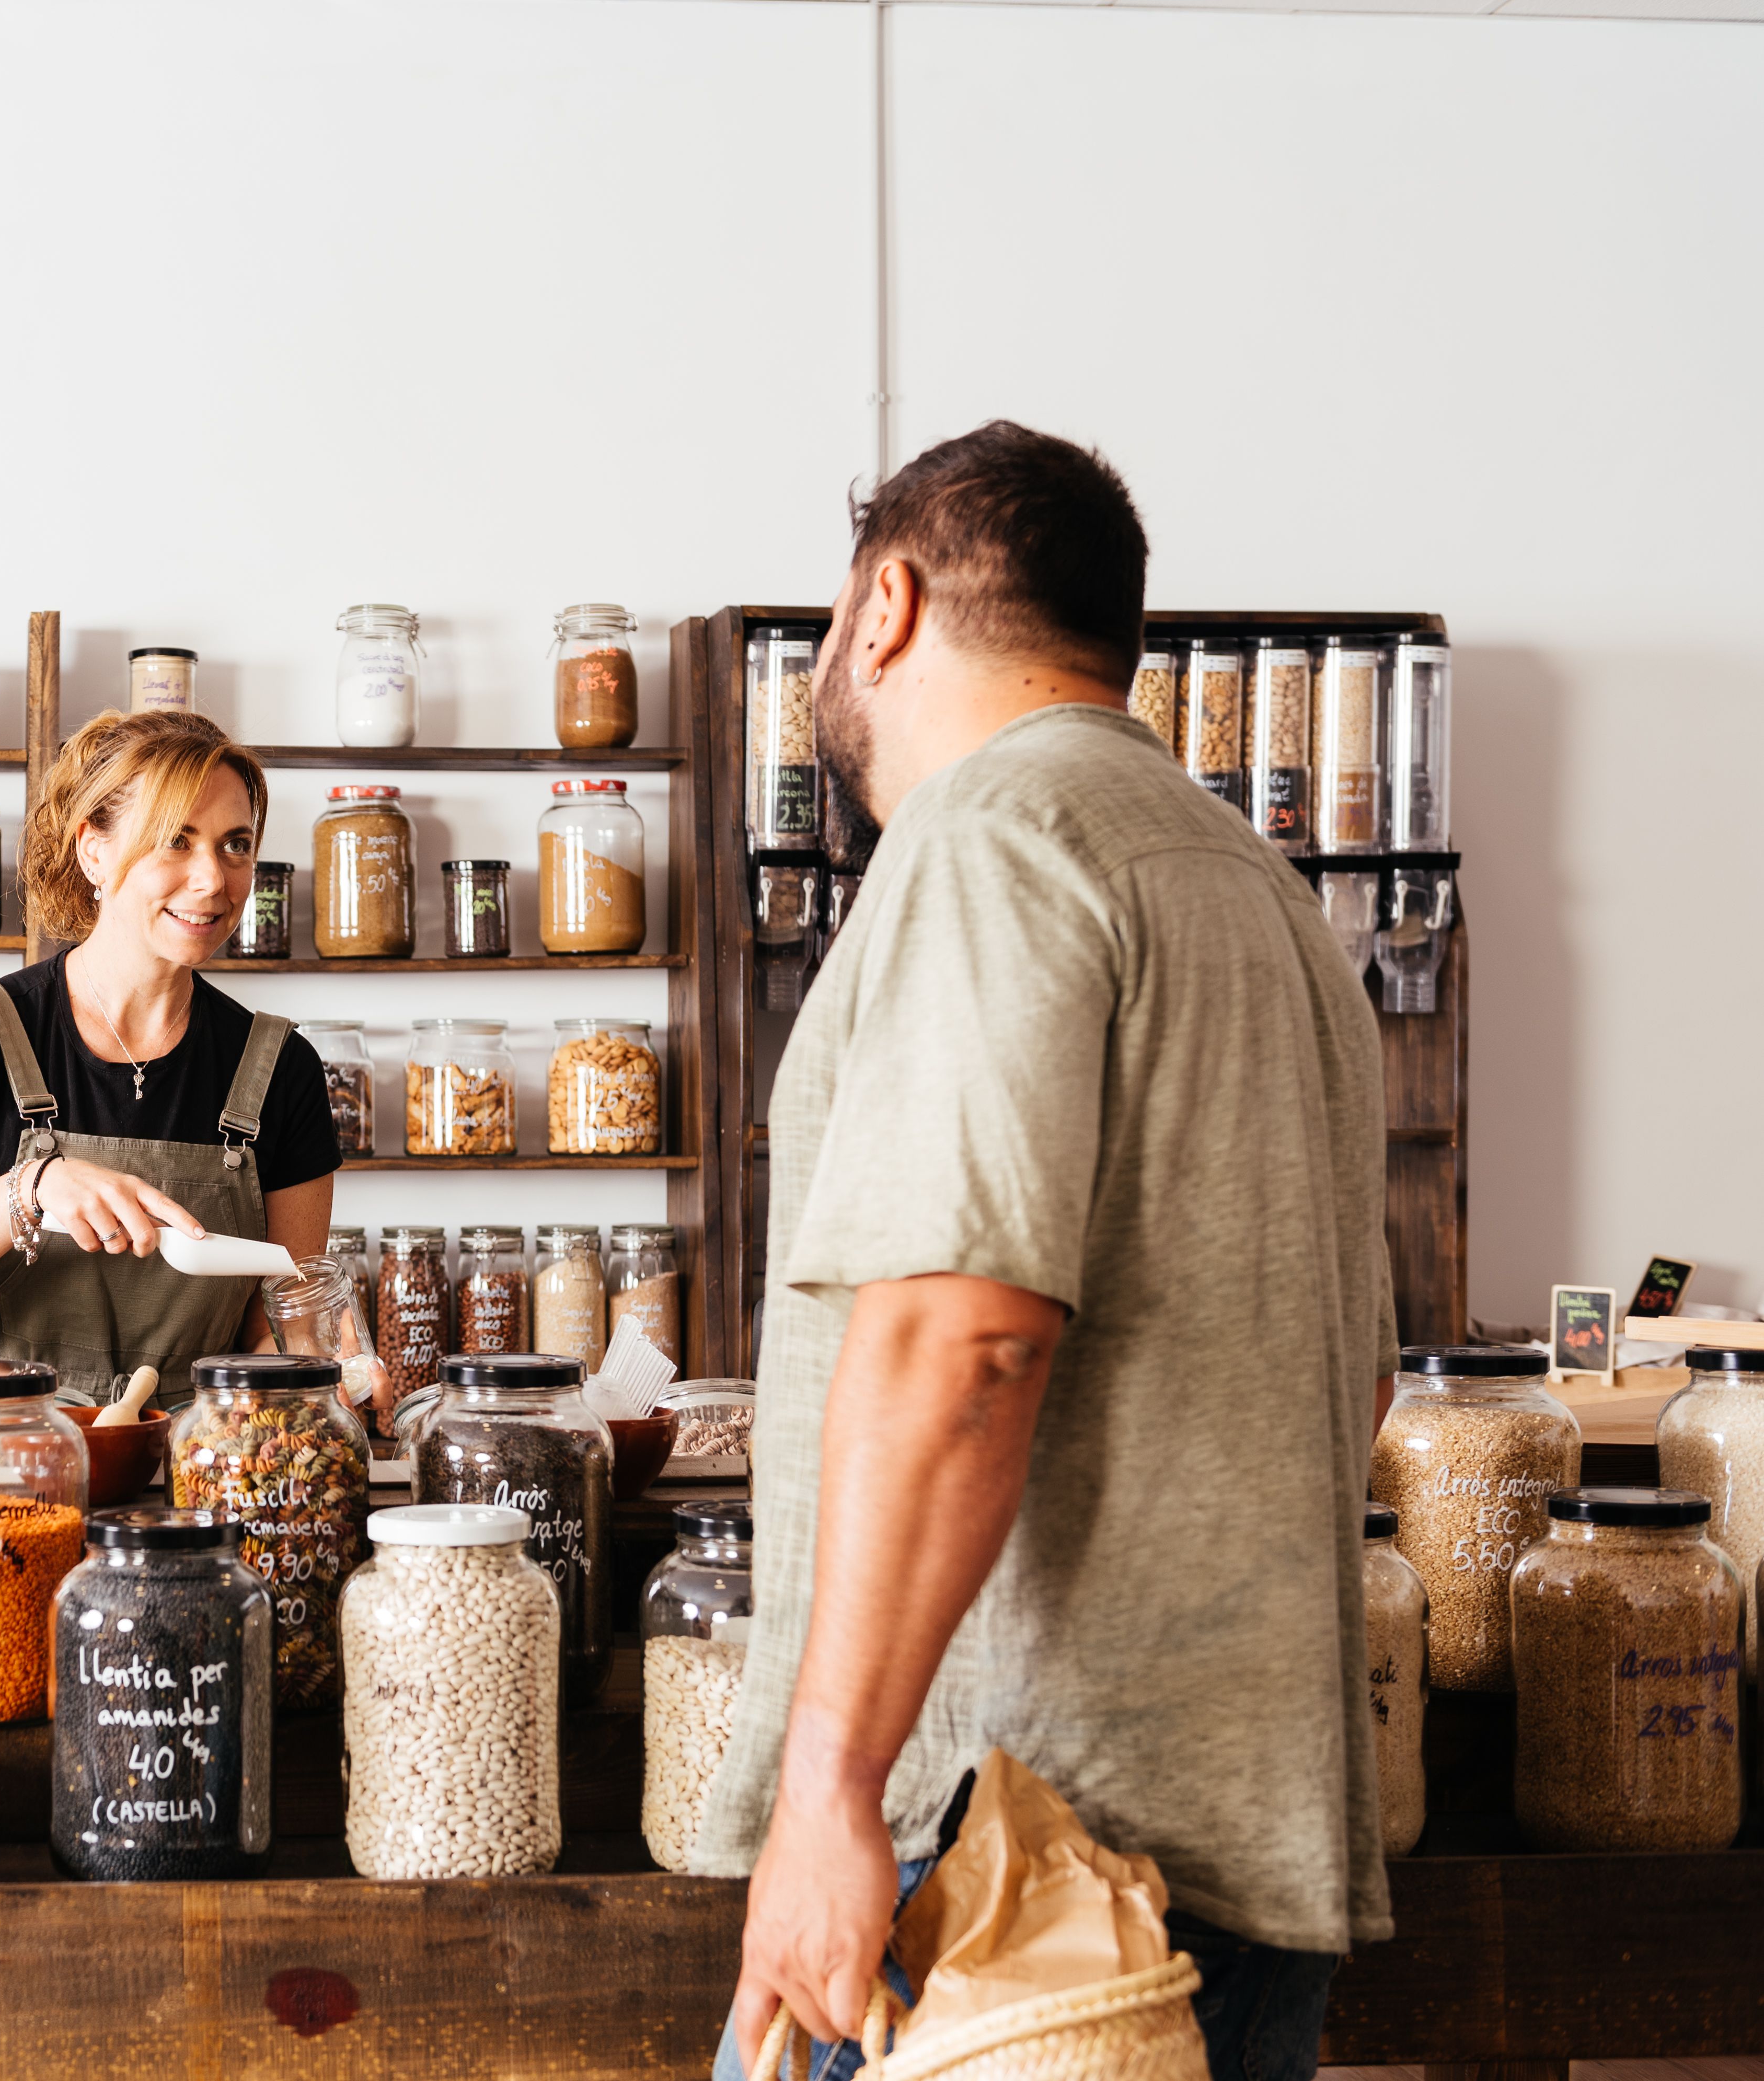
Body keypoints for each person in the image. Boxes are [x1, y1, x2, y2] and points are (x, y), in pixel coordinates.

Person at [704, 423, 1395, 2081]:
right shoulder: (1261, 893)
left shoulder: (988, 837)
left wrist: (827, 1794)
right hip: (1229, 1866)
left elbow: (961, 1341)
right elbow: (1356, 1374)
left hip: (1003, 1866)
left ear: (887, 602)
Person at [0, 710, 338, 1405]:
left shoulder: (282, 1067)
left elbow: (275, 1322)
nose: (211, 880)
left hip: (197, 1461)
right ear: (92, 849)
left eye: (234, 844)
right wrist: (27, 1191)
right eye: (174, 840)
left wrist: (318, 1363)